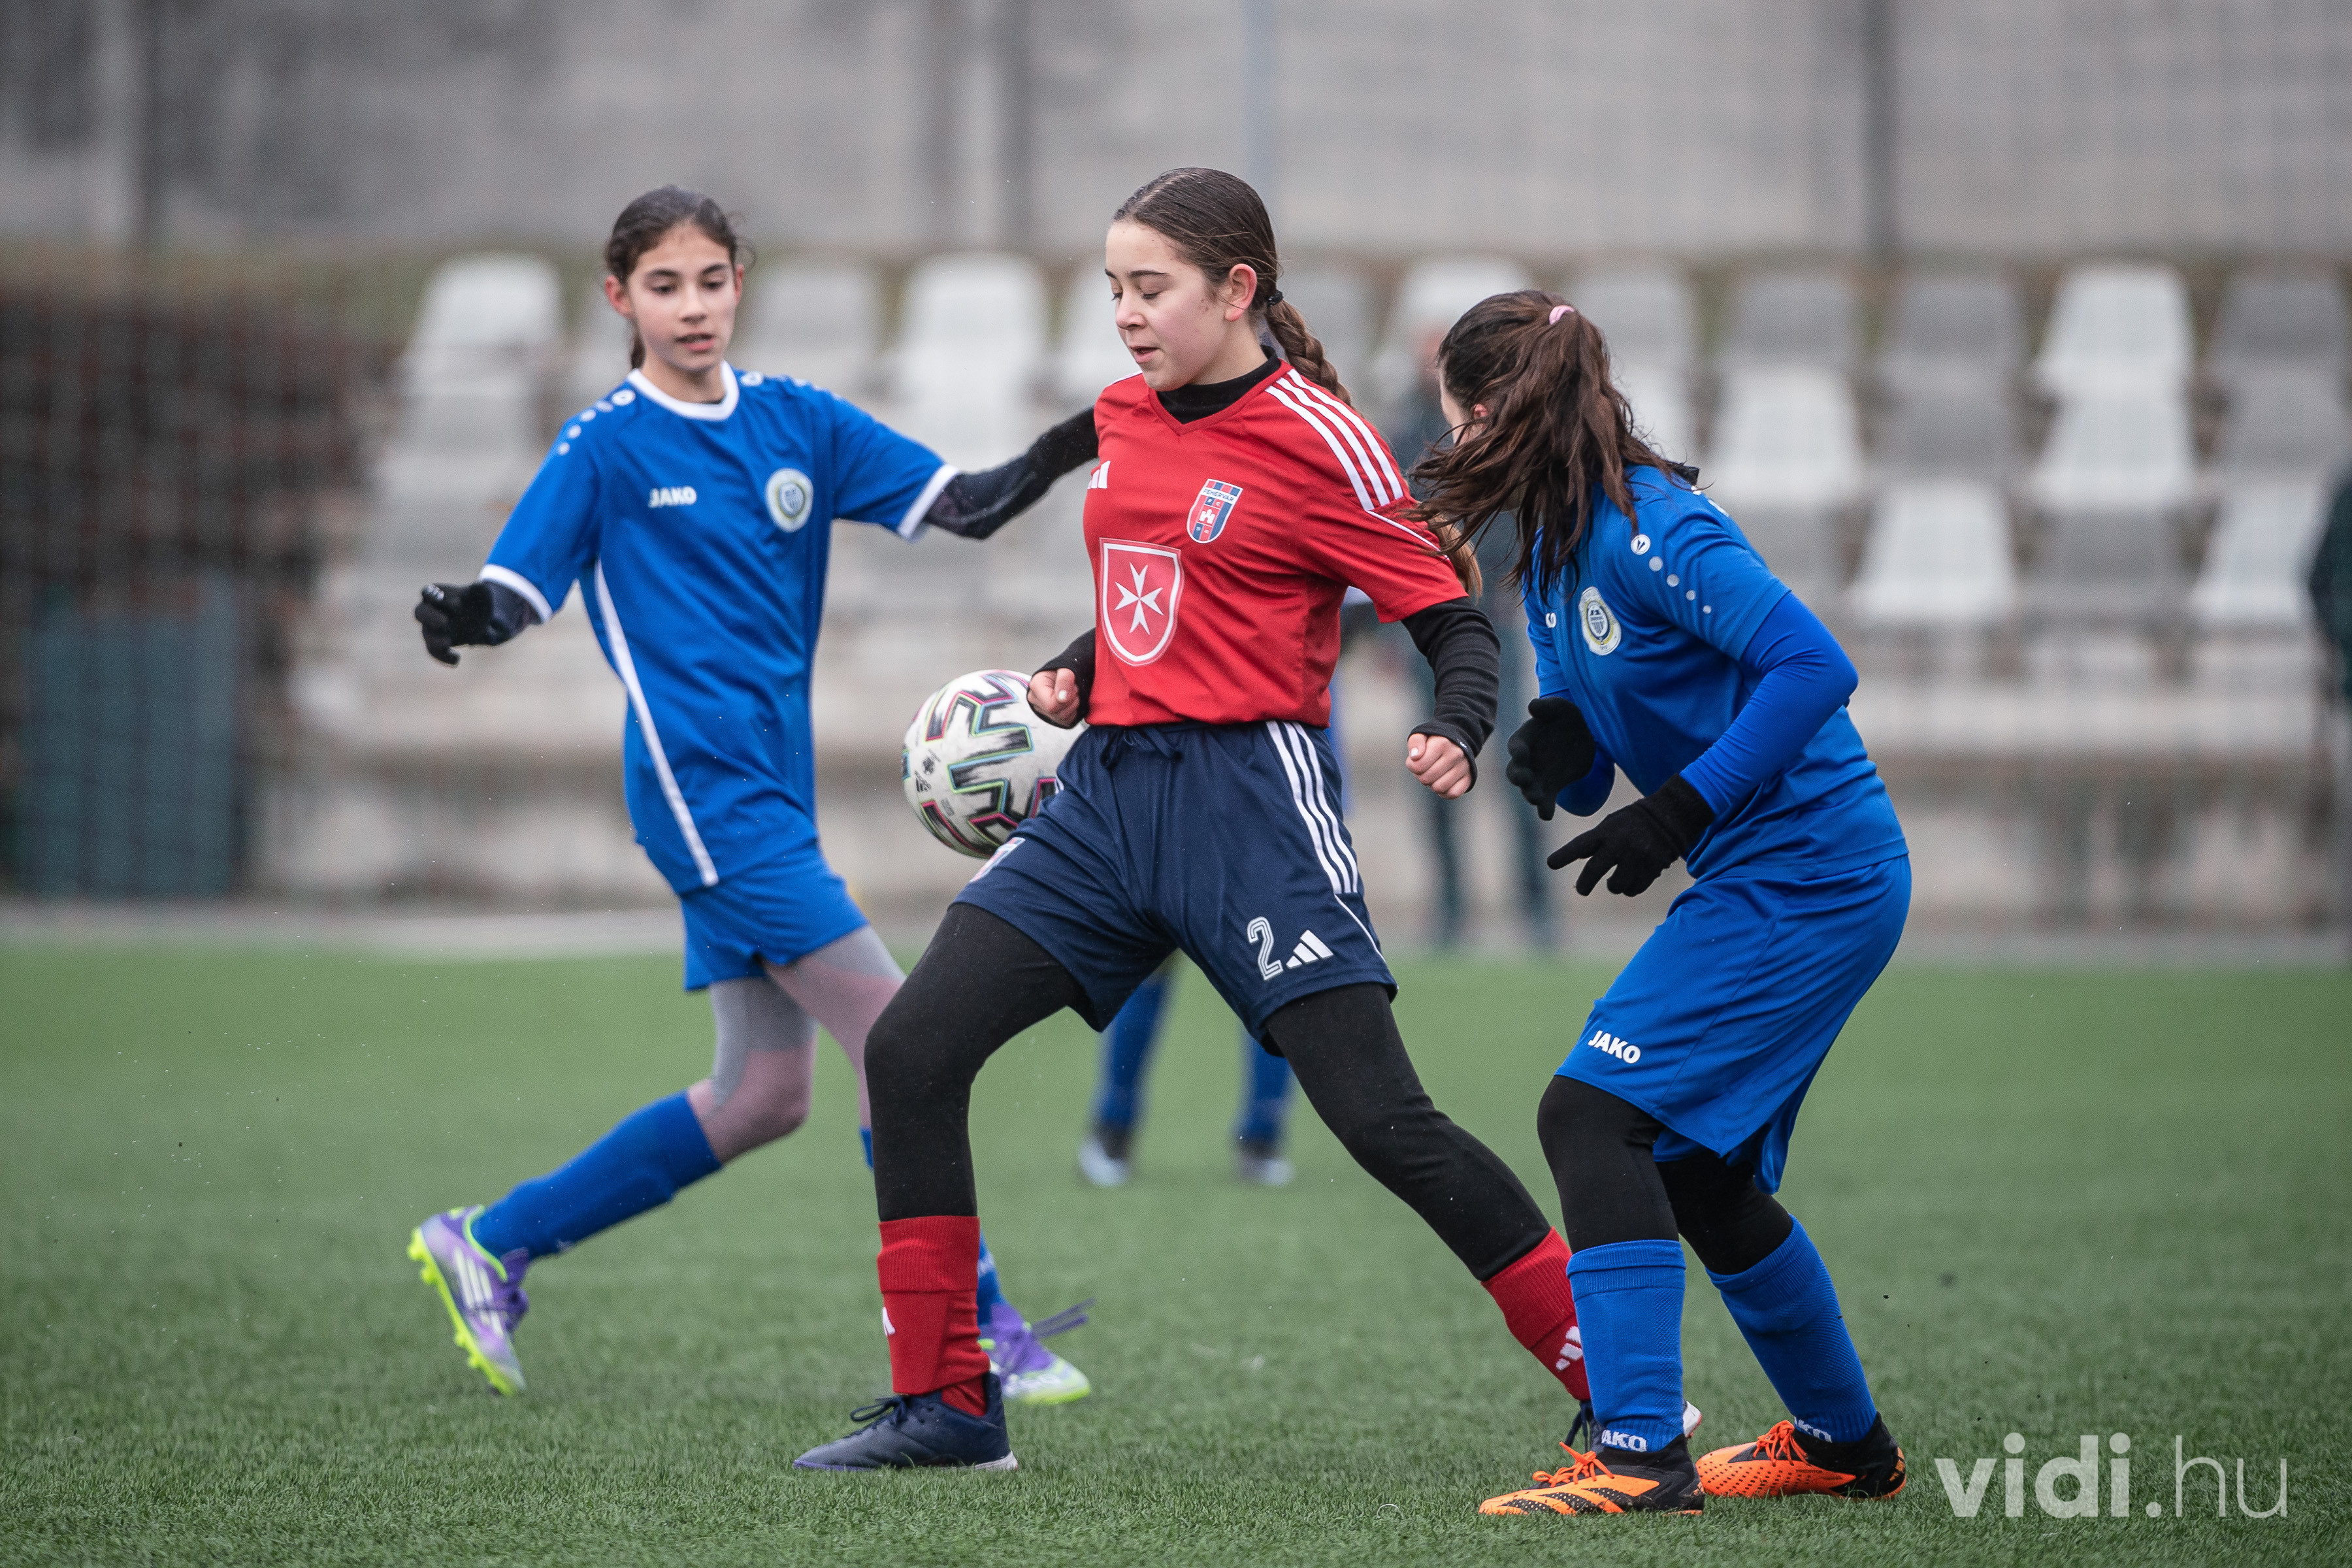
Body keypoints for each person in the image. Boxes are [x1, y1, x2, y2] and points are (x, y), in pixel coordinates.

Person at [791, 167, 1611, 1474]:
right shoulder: (1124, 412)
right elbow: (1166, 588)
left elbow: (1451, 619)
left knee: (1383, 1123)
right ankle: (947, 1404)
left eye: (1150, 288)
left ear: (1237, 290)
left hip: (1250, 811)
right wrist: (1077, 667)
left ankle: (1619, 1383)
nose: (1125, 314)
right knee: (913, 1051)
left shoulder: (1323, 437)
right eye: (1113, 288)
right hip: (1108, 801)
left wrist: (1457, 726)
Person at [402, 186, 1094, 1406]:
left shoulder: (797, 421)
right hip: (701, 795)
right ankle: (976, 1329)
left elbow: (972, 504)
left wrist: (1096, 428)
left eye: (711, 281)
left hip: (773, 794)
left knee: (762, 1096)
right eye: (663, 286)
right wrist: (469, 613)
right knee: (900, 1038)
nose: (693, 306)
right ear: (619, 298)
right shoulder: (605, 444)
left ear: (740, 284)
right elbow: (516, 591)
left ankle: (492, 1240)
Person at [1408, 293, 1912, 1518]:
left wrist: (1679, 809)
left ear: (1496, 411)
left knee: (1591, 1118)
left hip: (1814, 872)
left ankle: (1641, 1454)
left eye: (1455, 417)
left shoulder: (1652, 526)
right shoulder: (1549, 552)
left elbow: (1816, 667)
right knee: (1697, 1171)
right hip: (1768, 873)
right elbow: (1604, 754)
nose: (1450, 442)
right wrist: (1560, 754)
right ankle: (1846, 1446)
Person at [1384, 351, 1552, 949]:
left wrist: (1507, 588)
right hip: (1430, 630)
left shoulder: (1501, 439)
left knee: (1516, 764)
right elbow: (1392, 536)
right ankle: (1450, 908)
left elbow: (1520, 525)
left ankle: (1537, 907)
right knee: (1434, 767)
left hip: (1494, 625)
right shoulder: (1404, 437)